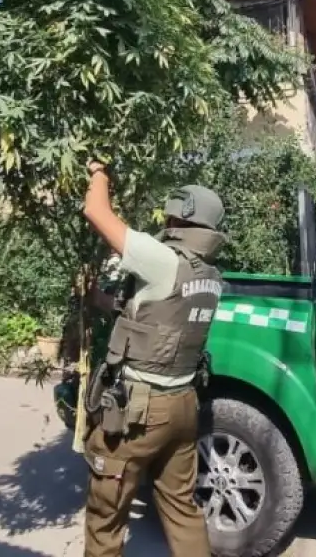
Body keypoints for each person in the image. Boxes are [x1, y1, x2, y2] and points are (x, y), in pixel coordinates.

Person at [80, 160, 225, 557]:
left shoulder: (164, 259)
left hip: (142, 411)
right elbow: (155, 317)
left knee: (106, 517)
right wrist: (98, 300)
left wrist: (99, 170)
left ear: (178, 216)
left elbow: (96, 211)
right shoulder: (210, 276)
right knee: (182, 510)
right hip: (183, 406)